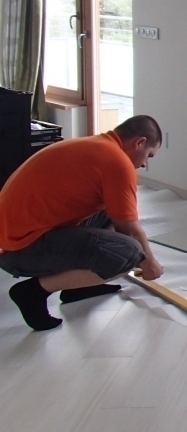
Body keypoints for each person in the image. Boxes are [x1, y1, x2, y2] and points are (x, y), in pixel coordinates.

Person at [0, 115, 164, 331]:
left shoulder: (96, 146)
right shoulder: (117, 162)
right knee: (129, 254)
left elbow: (123, 216)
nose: (144, 164)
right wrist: (149, 264)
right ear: (139, 142)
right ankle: (32, 292)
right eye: (148, 155)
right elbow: (129, 230)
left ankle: (78, 287)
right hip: (18, 250)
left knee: (112, 210)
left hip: (14, 237)